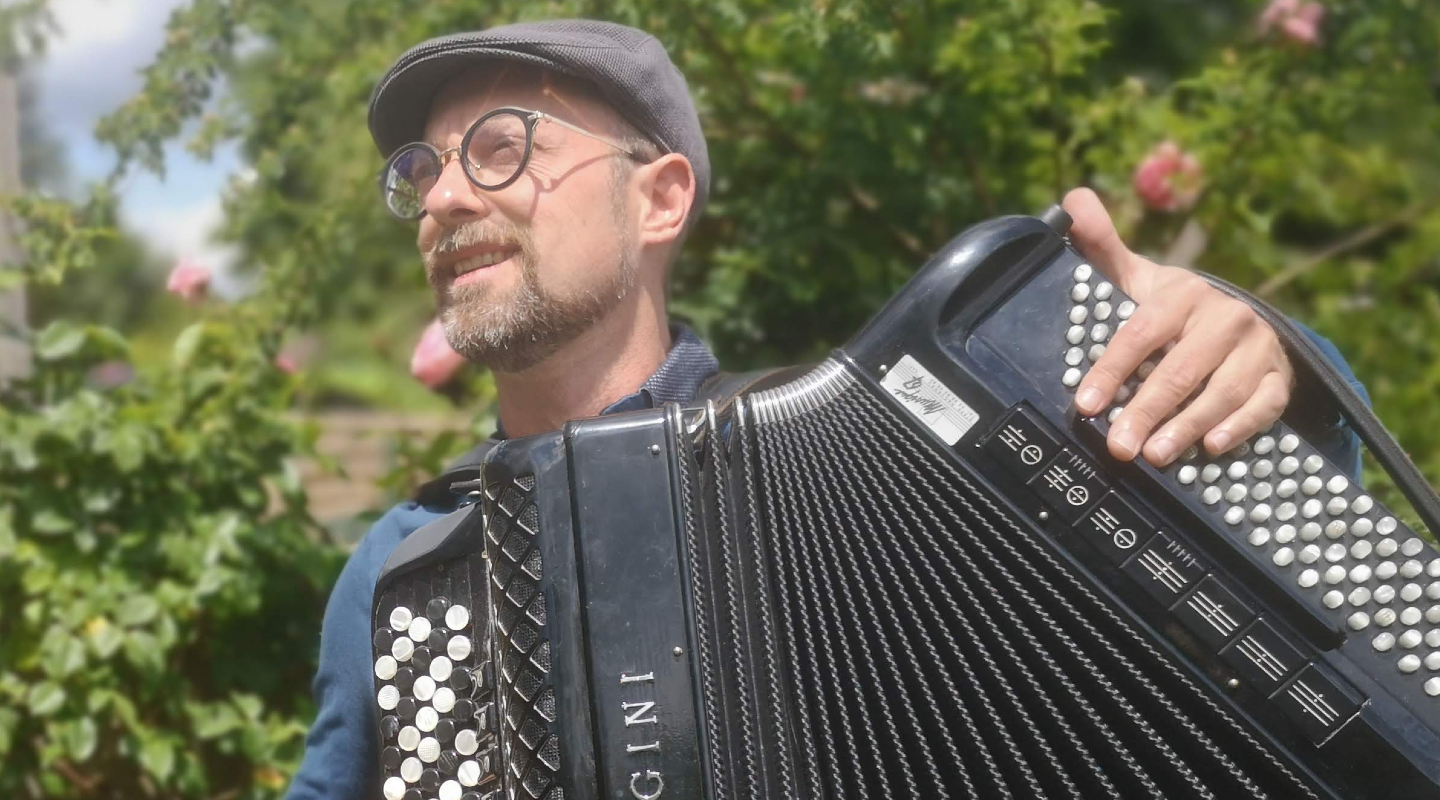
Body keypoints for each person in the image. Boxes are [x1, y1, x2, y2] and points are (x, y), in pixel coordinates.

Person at [286, 19, 1366, 800]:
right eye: (422, 170)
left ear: (658, 198)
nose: (441, 199)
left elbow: (1254, 604)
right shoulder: (406, 564)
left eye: (503, 147)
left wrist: (1267, 362)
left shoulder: (894, 445)